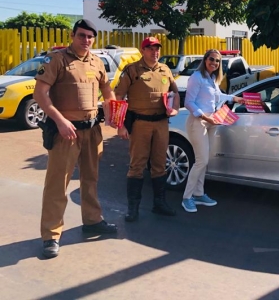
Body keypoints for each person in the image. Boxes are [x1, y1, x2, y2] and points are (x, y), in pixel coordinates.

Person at [33, 19, 118, 259]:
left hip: (92, 131)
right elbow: (39, 94)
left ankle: (92, 220)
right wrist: (60, 121)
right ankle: (51, 235)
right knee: (57, 185)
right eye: (81, 35)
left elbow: (107, 90)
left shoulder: (97, 61)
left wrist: (113, 113)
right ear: (73, 35)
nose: (86, 40)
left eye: (90, 36)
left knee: (90, 179)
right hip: (65, 133)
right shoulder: (57, 60)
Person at [114, 36, 181, 222]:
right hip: (140, 124)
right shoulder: (132, 70)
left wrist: (175, 108)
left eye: (157, 48)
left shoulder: (165, 69)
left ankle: (159, 203)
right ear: (143, 50)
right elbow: (118, 96)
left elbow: (175, 92)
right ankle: (133, 208)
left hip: (161, 124)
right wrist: (120, 125)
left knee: (160, 165)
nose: (155, 52)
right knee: (137, 166)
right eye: (150, 48)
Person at [181, 49, 244, 213]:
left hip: (212, 121)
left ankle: (199, 193)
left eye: (217, 61)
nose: (214, 63)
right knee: (201, 161)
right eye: (211, 59)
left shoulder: (212, 78)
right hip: (199, 121)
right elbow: (189, 102)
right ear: (205, 59)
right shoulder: (196, 77)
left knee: (204, 160)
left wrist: (234, 98)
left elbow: (218, 96)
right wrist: (204, 117)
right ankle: (187, 197)